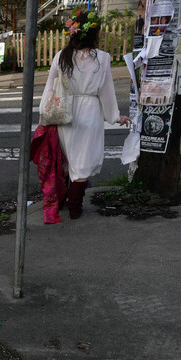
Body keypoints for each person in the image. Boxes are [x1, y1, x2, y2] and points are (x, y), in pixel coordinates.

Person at [41, 10, 131, 218]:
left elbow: (50, 88)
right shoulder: (102, 58)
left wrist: (45, 113)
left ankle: (62, 200)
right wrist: (116, 116)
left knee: (67, 161)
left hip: (64, 112)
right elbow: (106, 92)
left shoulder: (61, 56)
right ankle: (75, 208)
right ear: (94, 35)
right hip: (90, 112)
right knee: (82, 164)